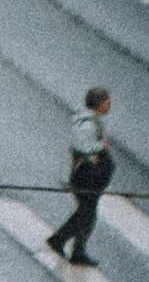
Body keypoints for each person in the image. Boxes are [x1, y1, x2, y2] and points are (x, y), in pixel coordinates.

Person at [47, 88, 116, 266]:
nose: (109, 105)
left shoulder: (91, 120)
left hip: (90, 176)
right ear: (99, 103)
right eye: (107, 102)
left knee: (86, 213)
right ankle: (68, 245)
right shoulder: (87, 123)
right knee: (87, 213)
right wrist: (101, 146)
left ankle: (68, 244)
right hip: (85, 176)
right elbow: (81, 145)